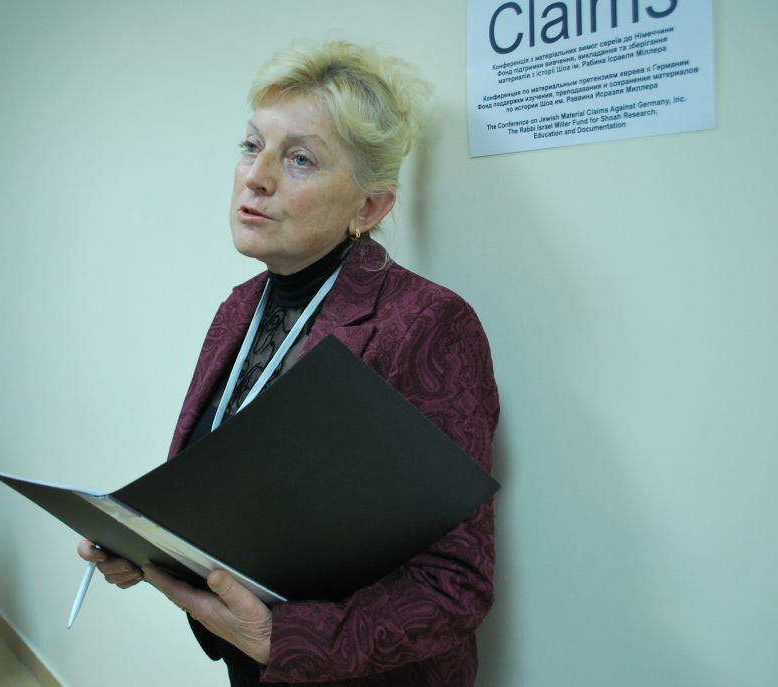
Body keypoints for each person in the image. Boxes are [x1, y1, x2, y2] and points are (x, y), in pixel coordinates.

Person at [78, 40, 499, 686]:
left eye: (299, 158)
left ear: (369, 207)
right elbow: (219, 490)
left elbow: (456, 582)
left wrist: (283, 639)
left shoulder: (427, 325)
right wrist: (142, 541)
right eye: (252, 145)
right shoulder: (238, 309)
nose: (257, 176)